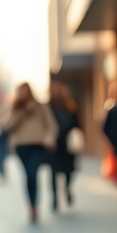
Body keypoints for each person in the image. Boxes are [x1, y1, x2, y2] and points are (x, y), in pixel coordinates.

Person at [4, 82, 58, 224]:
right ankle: (32, 205)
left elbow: (52, 125)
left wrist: (49, 137)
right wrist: (22, 112)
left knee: (33, 174)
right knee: (28, 176)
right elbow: (9, 126)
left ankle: (35, 204)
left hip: (37, 145)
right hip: (22, 147)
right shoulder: (16, 108)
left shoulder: (41, 107)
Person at [48, 80, 81, 210]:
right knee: (53, 172)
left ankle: (67, 189)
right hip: (54, 144)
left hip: (68, 144)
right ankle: (55, 198)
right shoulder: (49, 106)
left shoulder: (70, 104)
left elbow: (77, 122)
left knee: (69, 171)